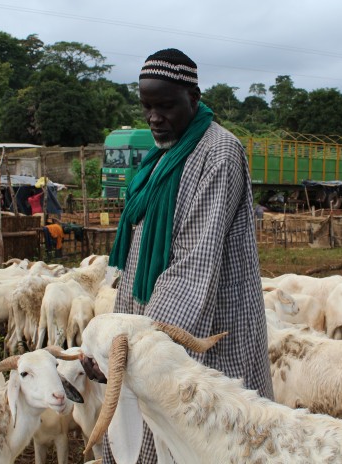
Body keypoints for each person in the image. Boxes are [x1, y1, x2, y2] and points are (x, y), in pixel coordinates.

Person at [86, 48, 273, 464]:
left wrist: (138, 342)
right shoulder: (162, 156)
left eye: (166, 105)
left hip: (211, 325)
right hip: (152, 315)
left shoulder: (219, 153)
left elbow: (194, 260)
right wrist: (128, 326)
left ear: (194, 97)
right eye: (147, 106)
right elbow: (139, 252)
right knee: (162, 432)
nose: (154, 117)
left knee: (220, 436)